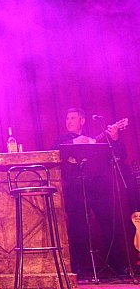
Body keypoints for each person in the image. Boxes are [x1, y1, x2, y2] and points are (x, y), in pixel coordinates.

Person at [52, 107, 126, 279]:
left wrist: (115, 139)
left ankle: (117, 266)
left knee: (109, 223)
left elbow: (117, 157)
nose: (69, 121)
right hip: (76, 188)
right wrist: (74, 143)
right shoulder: (62, 140)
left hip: (98, 187)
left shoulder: (93, 137)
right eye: (67, 118)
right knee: (77, 227)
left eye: (73, 118)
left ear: (82, 121)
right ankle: (78, 268)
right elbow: (53, 152)